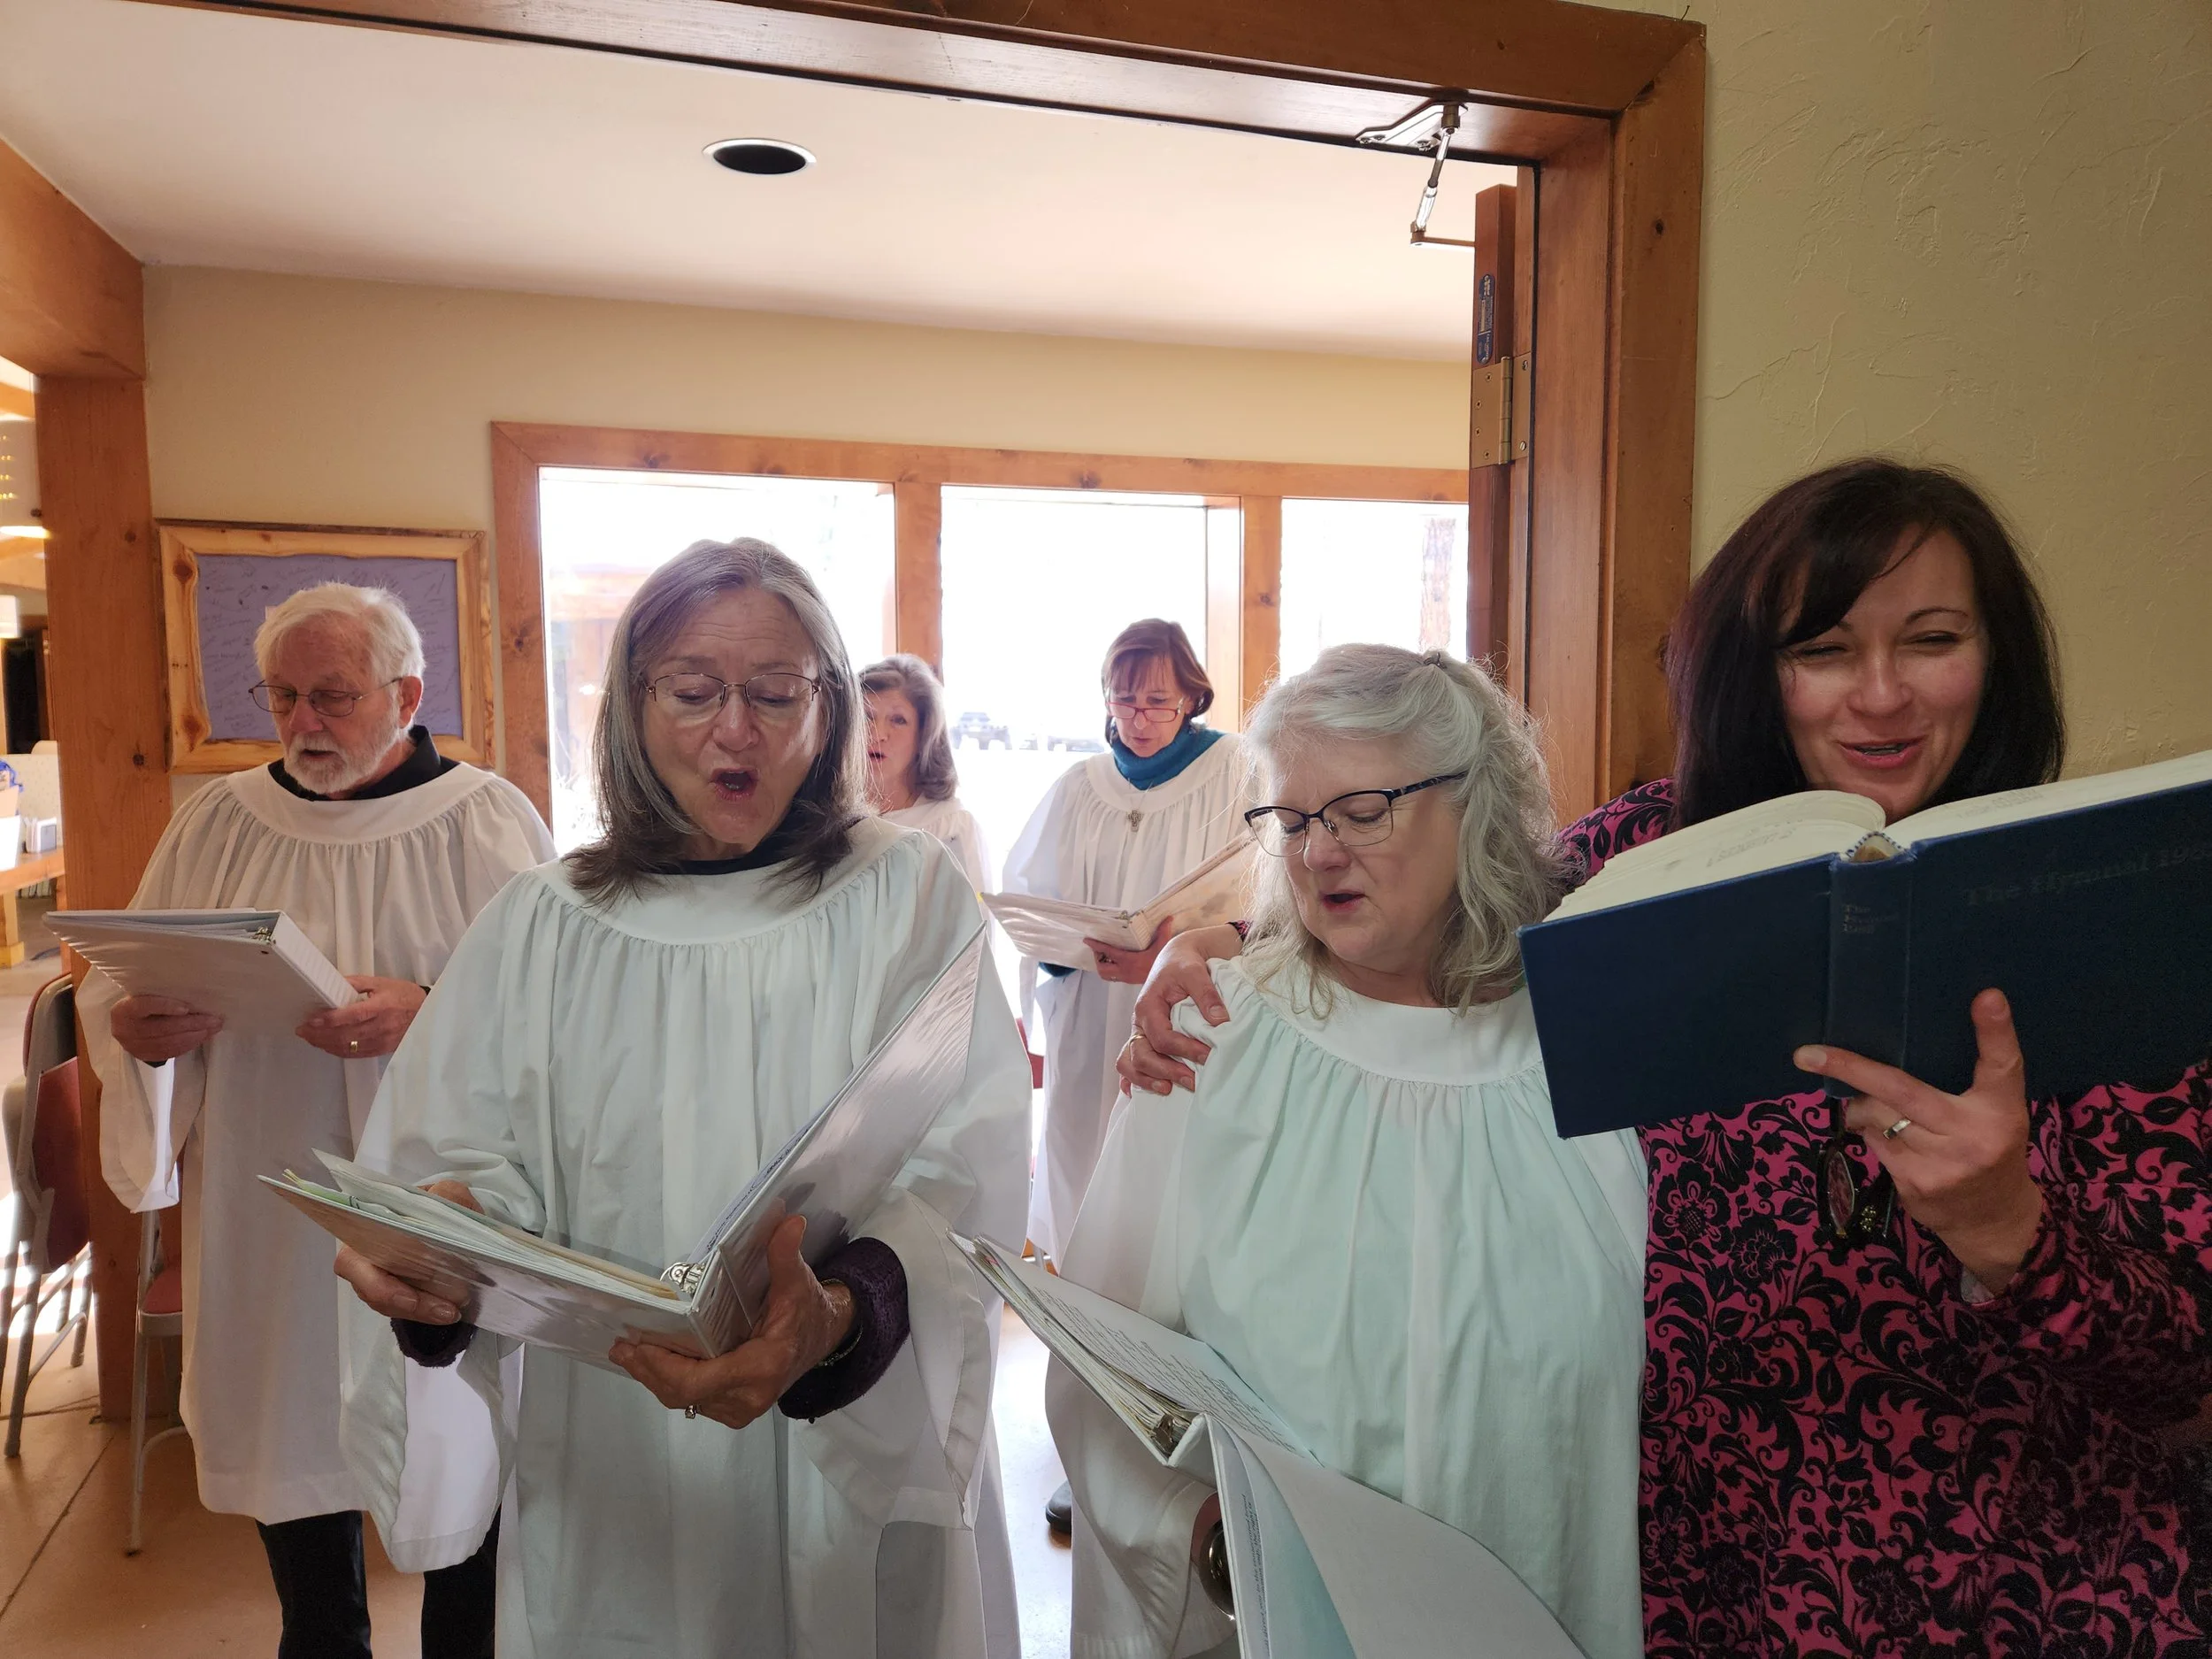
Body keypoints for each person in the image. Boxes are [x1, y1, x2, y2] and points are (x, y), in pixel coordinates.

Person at [1124, 459, 2212, 1655]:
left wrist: (2013, 1231)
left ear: (1995, 652)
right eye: (1827, 647)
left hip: (2035, 1589)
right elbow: (1445, 915)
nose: (1884, 694)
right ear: (1759, 668)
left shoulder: (2102, 900)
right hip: (1711, 1584)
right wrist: (1239, 940)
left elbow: (2188, 1385)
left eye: (1934, 638)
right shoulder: (1639, 870)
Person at [330, 539, 1033, 1659]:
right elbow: (462, 1152)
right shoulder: (542, 924)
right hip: (610, 1441)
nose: (736, 730)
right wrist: (439, 1254)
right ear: (633, 708)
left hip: (841, 1432)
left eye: (774, 692)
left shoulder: (905, 896)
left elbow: (966, 1161)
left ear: (831, 705)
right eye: (695, 692)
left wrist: (842, 1314)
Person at [1049, 643, 1646, 1659]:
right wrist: (1201, 1540)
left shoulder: (1585, 1048)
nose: (1318, 852)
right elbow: (1103, 1363)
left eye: (1362, 812)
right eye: (1288, 819)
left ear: (1476, 808)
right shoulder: (1210, 1040)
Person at [81, 582, 555, 1658]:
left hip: (438, 1197)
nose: (302, 724)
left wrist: (426, 1011)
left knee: (456, 1439)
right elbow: (129, 988)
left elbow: (555, 1013)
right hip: (268, 1189)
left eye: (333, 697)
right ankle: (321, 1634)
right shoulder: (218, 820)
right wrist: (144, 1035)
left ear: (407, 694)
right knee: (292, 1425)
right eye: (283, 695)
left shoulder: (483, 819)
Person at [999, 619, 1244, 1269]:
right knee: (1082, 1162)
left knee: (1161, 1189)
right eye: (1124, 698)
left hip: (1184, 1003)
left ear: (1191, 696)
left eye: (1158, 700)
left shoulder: (1233, 770)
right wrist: (1062, 944)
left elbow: (1261, 892)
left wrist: (1169, 951)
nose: (1140, 717)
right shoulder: (1081, 787)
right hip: (1091, 1008)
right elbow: (1032, 891)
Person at [861, 652, 991, 889]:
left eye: (898, 720)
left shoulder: (951, 826)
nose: (877, 734)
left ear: (924, 736)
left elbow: (975, 920)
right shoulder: (829, 817)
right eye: (867, 716)